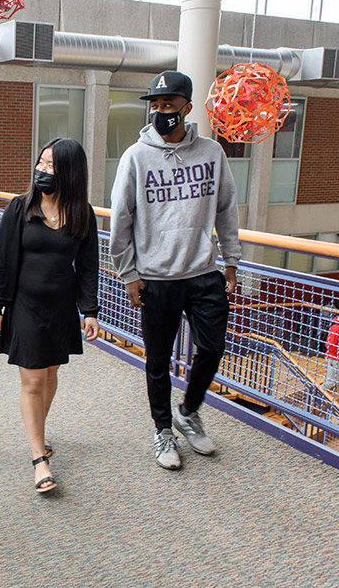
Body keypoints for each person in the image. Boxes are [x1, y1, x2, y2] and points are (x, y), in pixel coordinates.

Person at [109, 70, 241, 471]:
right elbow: (121, 218)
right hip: (156, 276)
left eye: (168, 104)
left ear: (187, 107)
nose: (160, 111)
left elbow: (226, 209)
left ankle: (188, 411)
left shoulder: (212, 153)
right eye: (155, 104)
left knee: (213, 348)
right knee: (157, 361)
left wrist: (231, 260)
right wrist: (129, 274)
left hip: (202, 272)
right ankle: (163, 430)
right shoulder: (136, 156)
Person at [0, 138, 100, 493]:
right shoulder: (20, 207)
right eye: (41, 163)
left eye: (52, 166)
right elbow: (4, 261)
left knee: (50, 374)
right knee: (33, 380)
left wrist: (89, 311)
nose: (43, 171)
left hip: (61, 307)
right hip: (25, 305)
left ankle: (37, 432)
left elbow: (88, 267)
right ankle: (39, 460)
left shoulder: (82, 213)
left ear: (70, 172)